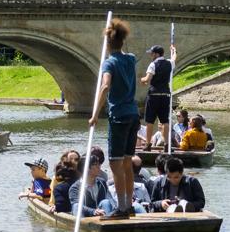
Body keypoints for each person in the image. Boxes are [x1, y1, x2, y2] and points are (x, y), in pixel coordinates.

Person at [89, 18, 139, 219]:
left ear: (107, 44)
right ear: (122, 41)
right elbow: (125, 55)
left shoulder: (109, 63)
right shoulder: (130, 59)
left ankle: (122, 208)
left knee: (115, 164)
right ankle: (129, 205)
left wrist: (94, 115)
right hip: (134, 115)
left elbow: (105, 86)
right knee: (127, 163)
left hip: (118, 116)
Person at [140, 44, 175, 150]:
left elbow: (147, 79)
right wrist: (174, 51)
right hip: (165, 95)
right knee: (165, 121)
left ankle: (148, 144)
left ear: (156, 54)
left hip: (154, 95)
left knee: (150, 121)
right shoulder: (170, 63)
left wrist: (142, 80)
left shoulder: (153, 64)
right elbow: (174, 58)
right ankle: (166, 144)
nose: (151, 55)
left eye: (152, 53)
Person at [69, 148, 117, 218]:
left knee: (106, 202)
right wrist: (93, 211)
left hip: (102, 215)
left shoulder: (102, 183)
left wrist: (116, 208)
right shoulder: (75, 188)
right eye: (96, 164)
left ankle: (109, 224)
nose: (99, 167)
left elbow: (110, 199)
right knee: (76, 206)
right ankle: (82, 227)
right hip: (85, 216)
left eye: (99, 164)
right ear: (87, 168)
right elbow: (77, 206)